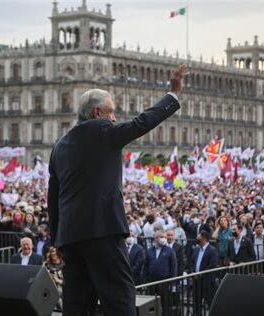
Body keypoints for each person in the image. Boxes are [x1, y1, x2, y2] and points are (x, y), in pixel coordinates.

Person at [48, 64, 187, 316]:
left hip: (70, 236)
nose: (114, 119)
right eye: (111, 113)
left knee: (77, 303)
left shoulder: (60, 145)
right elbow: (141, 123)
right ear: (98, 112)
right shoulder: (102, 130)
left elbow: (53, 198)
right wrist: (173, 95)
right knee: (119, 298)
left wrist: (56, 238)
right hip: (102, 231)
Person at [144, 231, 178, 314]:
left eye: (164, 237)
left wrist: (173, 283)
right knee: (152, 303)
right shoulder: (149, 251)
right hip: (152, 282)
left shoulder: (170, 251)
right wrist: (145, 281)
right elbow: (145, 267)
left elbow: (174, 267)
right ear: (156, 238)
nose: (164, 239)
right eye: (161, 237)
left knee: (165, 303)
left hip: (165, 282)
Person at [190, 231, 218, 316]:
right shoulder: (197, 249)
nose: (197, 238)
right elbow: (192, 262)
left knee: (210, 303)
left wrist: (201, 274)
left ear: (203, 238)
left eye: (199, 236)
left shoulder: (212, 250)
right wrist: (192, 273)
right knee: (196, 303)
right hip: (196, 281)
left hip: (207, 281)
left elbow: (212, 265)